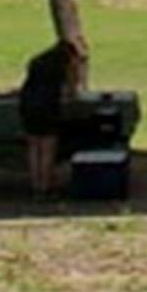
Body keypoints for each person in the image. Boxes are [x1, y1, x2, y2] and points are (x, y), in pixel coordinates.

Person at [19, 38, 86, 196]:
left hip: (28, 105)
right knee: (48, 149)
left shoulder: (37, 61)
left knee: (34, 148)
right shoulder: (63, 66)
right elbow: (72, 91)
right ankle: (46, 185)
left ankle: (35, 185)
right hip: (47, 107)